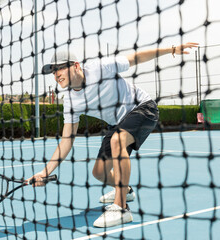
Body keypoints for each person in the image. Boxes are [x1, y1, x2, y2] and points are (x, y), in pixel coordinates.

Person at [27, 42, 199, 228]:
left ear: (76, 65)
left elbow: (136, 57)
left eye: (60, 68)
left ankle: (121, 208)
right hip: (118, 123)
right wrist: (44, 173)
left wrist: (171, 49)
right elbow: (67, 141)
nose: (56, 75)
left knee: (117, 141)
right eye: (53, 72)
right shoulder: (70, 100)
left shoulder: (100, 68)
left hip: (143, 108)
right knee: (99, 172)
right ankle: (126, 189)